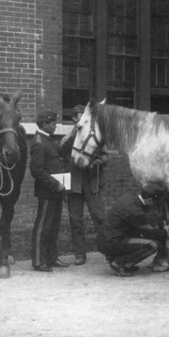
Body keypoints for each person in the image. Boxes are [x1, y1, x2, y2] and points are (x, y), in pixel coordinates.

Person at [63, 104, 108, 266]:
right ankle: (80, 254)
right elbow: (61, 150)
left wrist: (98, 162)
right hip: (75, 185)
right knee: (76, 220)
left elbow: (106, 156)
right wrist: (75, 132)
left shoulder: (94, 134)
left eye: (83, 117)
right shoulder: (70, 136)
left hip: (92, 183)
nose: (80, 119)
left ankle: (109, 249)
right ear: (73, 119)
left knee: (100, 218)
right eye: (77, 117)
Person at [30, 109, 74, 272]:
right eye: (53, 123)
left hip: (55, 191)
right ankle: (38, 261)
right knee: (43, 226)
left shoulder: (47, 140)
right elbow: (36, 170)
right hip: (47, 192)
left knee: (54, 225)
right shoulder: (39, 142)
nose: (55, 126)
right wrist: (55, 184)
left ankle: (51, 258)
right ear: (44, 124)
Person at [97, 183, 169, 277]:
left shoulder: (128, 197)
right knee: (153, 244)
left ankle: (124, 263)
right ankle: (119, 263)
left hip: (104, 239)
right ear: (150, 201)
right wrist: (165, 231)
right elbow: (150, 233)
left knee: (137, 235)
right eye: (155, 203)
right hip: (112, 243)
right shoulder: (137, 212)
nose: (154, 206)